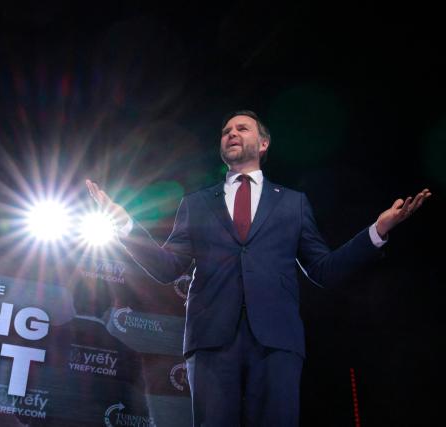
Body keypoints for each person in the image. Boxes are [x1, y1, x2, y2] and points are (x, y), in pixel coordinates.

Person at [85, 110, 430, 427]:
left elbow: (323, 270)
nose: (231, 133)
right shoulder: (196, 204)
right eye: (226, 131)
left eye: (241, 128)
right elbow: (166, 267)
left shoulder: (293, 203)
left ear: (263, 143)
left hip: (277, 342)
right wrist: (125, 225)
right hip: (211, 342)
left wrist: (377, 231)